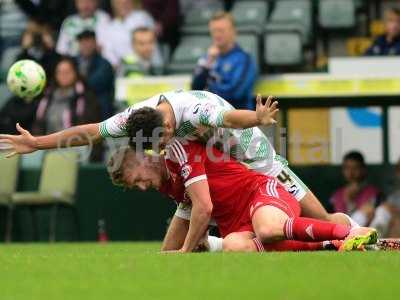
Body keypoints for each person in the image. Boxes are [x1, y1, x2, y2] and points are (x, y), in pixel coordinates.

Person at [0, 90, 359, 232]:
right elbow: (91, 131)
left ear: (170, 124)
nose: (163, 147)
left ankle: (355, 236)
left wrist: (257, 118)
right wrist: (38, 143)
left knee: (320, 216)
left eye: (165, 139)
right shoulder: (138, 118)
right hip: (221, 162)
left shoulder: (198, 111)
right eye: (156, 146)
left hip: (250, 151)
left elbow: (230, 119)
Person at [107, 141, 377, 253]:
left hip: (261, 192)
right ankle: (330, 244)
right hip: (237, 224)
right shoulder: (166, 184)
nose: (143, 188)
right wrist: (169, 253)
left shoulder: (178, 152)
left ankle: (346, 233)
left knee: (268, 228)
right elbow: (184, 220)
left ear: (144, 158)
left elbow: (203, 207)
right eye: (136, 186)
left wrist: (185, 251)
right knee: (234, 247)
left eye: (139, 180)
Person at [32, 57, 103, 161]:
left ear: (75, 73)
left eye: (67, 72)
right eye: (59, 72)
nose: (63, 76)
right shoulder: (48, 96)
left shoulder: (86, 97)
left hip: (74, 147)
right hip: (48, 147)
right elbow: (38, 124)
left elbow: (90, 129)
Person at [191, 12, 257, 110]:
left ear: (233, 32)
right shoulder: (207, 58)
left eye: (221, 30)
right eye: (214, 31)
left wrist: (209, 89)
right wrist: (208, 64)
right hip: (211, 121)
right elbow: (195, 89)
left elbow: (236, 93)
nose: (217, 34)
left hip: (238, 120)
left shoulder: (244, 60)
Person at [330, 151, 380, 227]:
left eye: (355, 168)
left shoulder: (373, 192)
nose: (351, 172)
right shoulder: (337, 194)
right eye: (347, 168)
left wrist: (351, 201)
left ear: (363, 169)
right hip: (339, 231)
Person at [102, 0, 155, 67]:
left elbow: (151, 43)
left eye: (126, 2)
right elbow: (109, 53)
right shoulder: (110, 27)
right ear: (114, 5)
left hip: (149, 65)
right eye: (119, 3)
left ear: (132, 2)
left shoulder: (143, 17)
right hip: (122, 70)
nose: (123, 5)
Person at [76, 30, 115, 119]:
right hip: (78, 108)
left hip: (99, 110)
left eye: (88, 42)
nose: (86, 46)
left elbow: (91, 84)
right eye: (82, 42)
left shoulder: (104, 64)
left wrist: (76, 82)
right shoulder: (73, 61)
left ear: (95, 43)